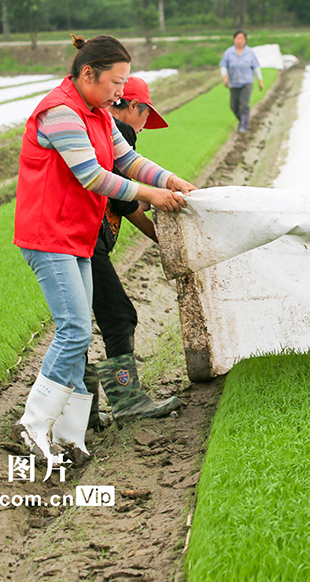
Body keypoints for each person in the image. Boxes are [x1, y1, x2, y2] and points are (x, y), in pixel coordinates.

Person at [14, 35, 195, 464]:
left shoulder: (97, 114)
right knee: (74, 330)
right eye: (116, 82)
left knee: (77, 338)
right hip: (49, 235)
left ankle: (71, 436)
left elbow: (126, 159)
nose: (120, 92)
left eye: (125, 83)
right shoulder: (60, 111)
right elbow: (92, 176)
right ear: (88, 73)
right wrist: (150, 196)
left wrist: (170, 180)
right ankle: (35, 423)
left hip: (76, 236)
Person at [83, 75, 182, 428]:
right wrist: (162, 236)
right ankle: (125, 401)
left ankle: (86, 414)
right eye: (145, 116)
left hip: (75, 241)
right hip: (85, 242)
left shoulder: (105, 129)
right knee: (118, 317)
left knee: (77, 326)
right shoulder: (120, 132)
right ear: (135, 107)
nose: (144, 127)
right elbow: (123, 199)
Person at [220, 30, 263, 133]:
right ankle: (243, 120)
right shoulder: (229, 52)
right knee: (234, 106)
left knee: (244, 104)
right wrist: (225, 78)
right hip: (234, 82)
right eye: (238, 38)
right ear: (234, 40)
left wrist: (260, 81)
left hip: (246, 82)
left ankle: (244, 125)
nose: (240, 41)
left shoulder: (250, 53)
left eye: (242, 39)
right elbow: (223, 66)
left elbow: (256, 67)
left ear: (245, 40)